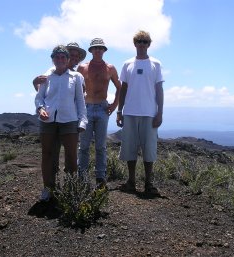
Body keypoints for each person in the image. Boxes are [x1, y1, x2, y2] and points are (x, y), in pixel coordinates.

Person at [35, 45, 87, 202]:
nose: (60, 60)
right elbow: (39, 97)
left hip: (69, 120)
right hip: (48, 120)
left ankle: (71, 189)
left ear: (67, 59)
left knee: (71, 156)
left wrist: (82, 120)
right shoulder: (46, 76)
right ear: (53, 59)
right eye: (56, 57)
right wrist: (40, 109)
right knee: (47, 154)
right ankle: (48, 188)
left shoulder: (76, 77)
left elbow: (80, 100)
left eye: (63, 57)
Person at [116, 30, 164, 196]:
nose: (142, 44)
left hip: (149, 113)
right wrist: (119, 111)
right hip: (129, 112)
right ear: (135, 44)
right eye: (139, 41)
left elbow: (159, 90)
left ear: (149, 44)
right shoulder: (127, 64)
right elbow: (123, 88)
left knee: (149, 149)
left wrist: (160, 113)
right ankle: (131, 181)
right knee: (129, 147)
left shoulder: (155, 64)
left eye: (145, 41)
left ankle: (149, 184)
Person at [77, 38, 121, 188]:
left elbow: (119, 87)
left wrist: (114, 105)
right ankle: (81, 176)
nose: (98, 50)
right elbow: (77, 89)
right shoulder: (82, 68)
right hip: (86, 108)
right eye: (95, 48)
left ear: (104, 50)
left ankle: (100, 177)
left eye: (100, 48)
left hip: (103, 108)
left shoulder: (110, 68)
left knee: (101, 146)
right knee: (83, 145)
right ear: (90, 50)